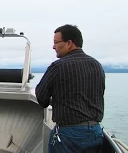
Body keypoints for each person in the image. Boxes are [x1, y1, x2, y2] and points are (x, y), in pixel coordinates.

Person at [35, 24, 105, 152]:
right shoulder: (97, 65)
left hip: (68, 136)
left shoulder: (58, 67)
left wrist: (54, 99)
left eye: (56, 42)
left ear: (69, 43)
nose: (53, 46)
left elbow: (41, 98)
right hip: (95, 132)